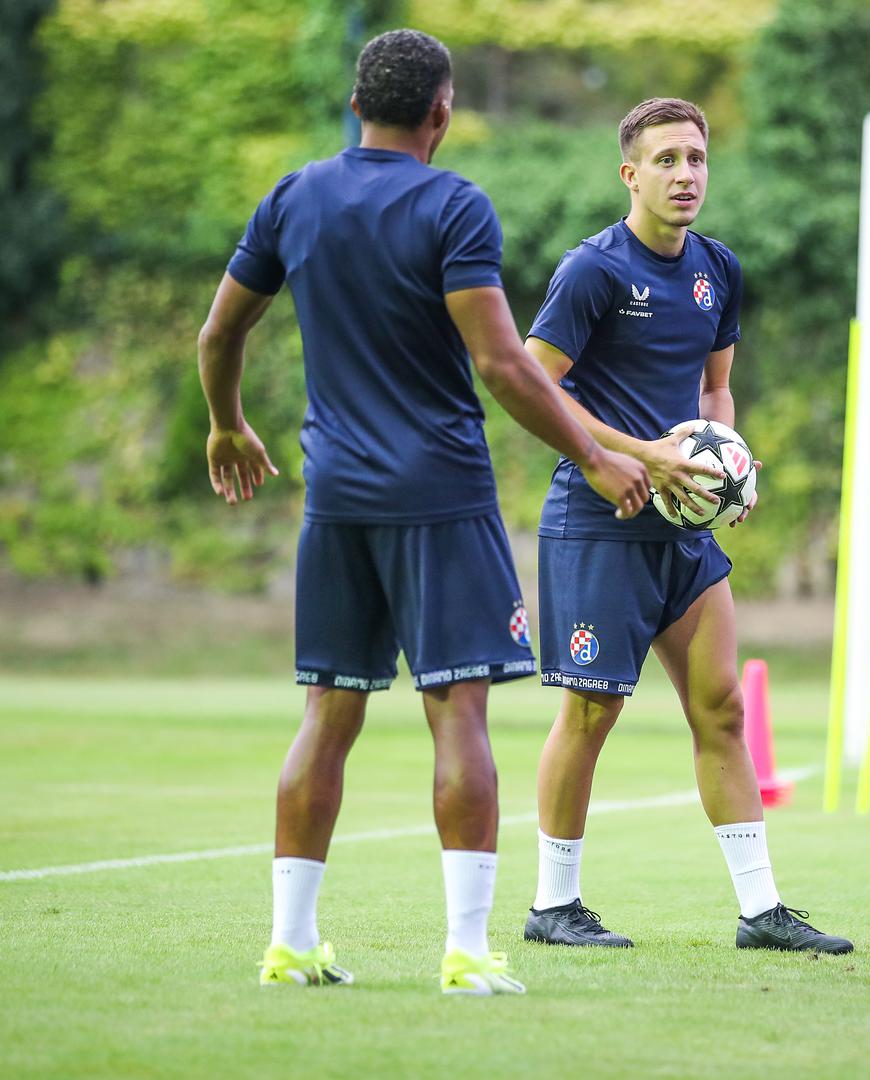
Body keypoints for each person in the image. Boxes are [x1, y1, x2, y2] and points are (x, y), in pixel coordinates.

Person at [197, 29, 649, 994]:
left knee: (328, 713)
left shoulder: (294, 195)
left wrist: (227, 425)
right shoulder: (453, 204)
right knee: (458, 716)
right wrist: (595, 456)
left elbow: (219, 330)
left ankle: (289, 942)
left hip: (336, 501)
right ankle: (464, 950)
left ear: (358, 102)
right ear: (440, 112)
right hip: (440, 497)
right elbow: (499, 363)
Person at [520, 97, 852, 954]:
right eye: (665, 160)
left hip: (684, 533)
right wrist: (639, 456)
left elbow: (712, 392)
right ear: (630, 174)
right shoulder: (591, 270)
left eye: (696, 158)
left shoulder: (718, 268)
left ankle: (760, 911)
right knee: (591, 714)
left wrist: (724, 467)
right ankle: (553, 907)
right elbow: (532, 385)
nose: (685, 175)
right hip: (598, 524)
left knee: (721, 710)